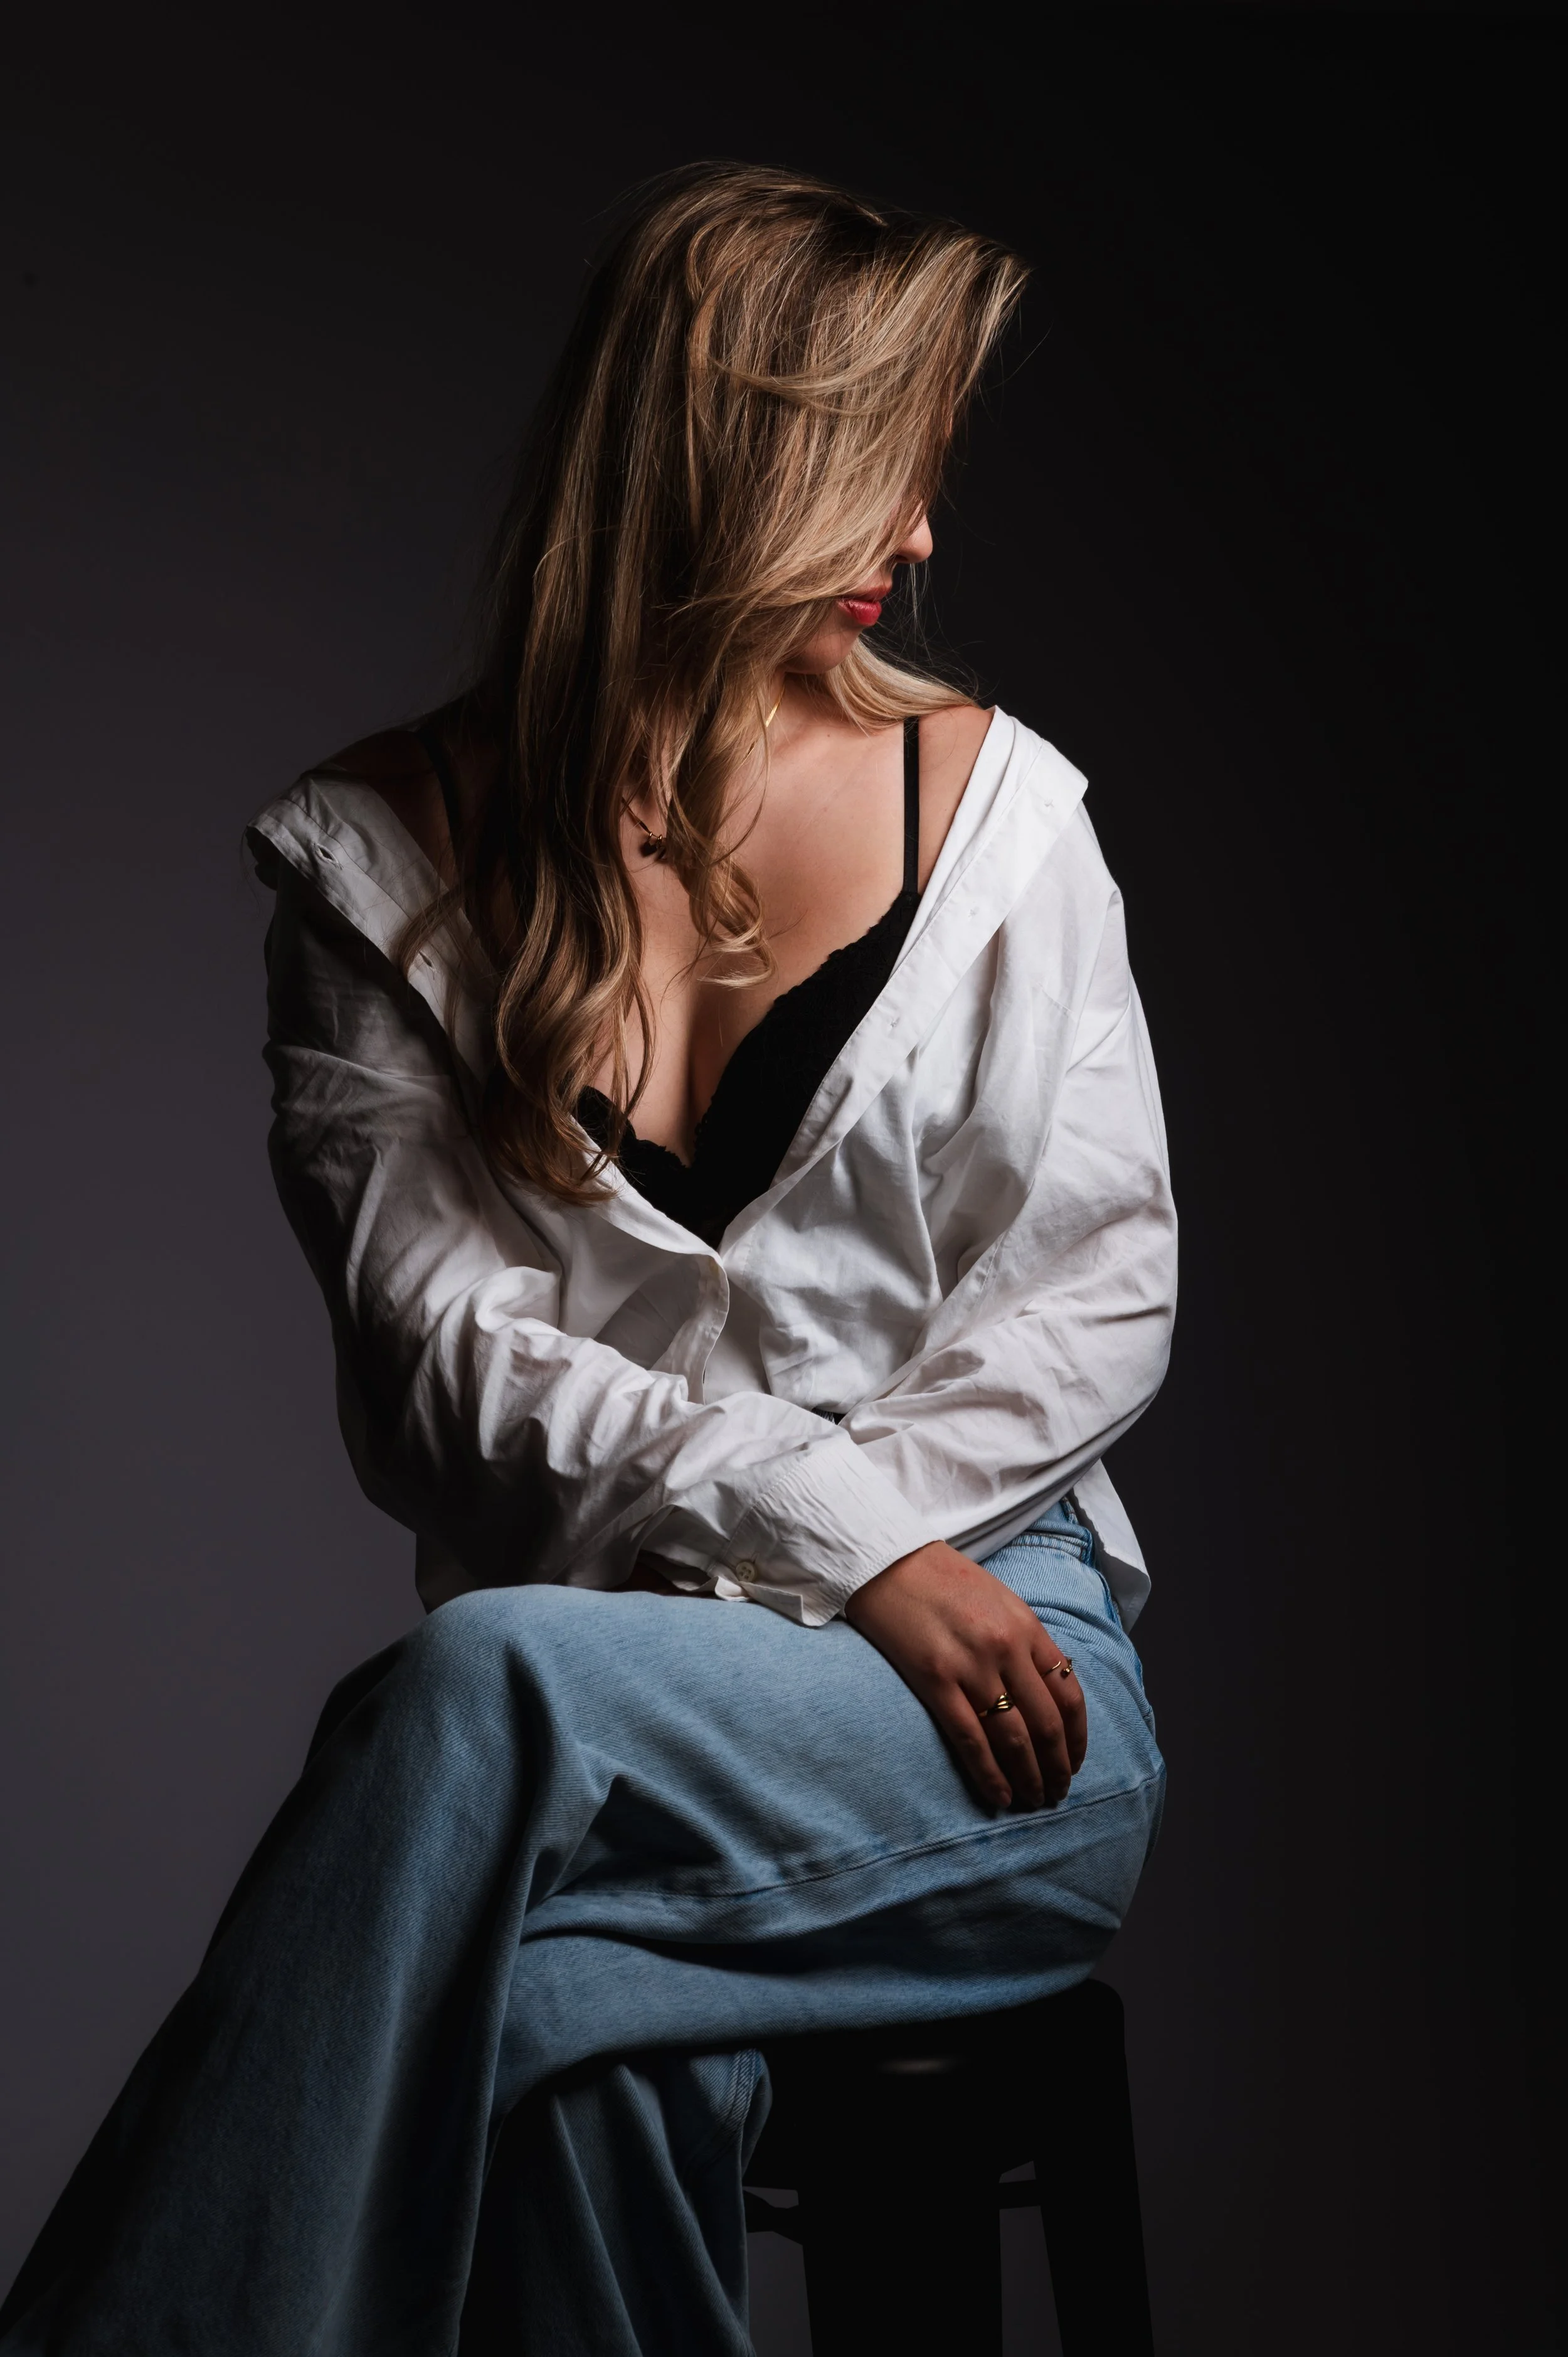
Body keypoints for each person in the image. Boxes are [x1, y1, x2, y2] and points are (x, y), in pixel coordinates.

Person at [0, 162, 1174, 2356]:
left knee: (479, 1678)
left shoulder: (1003, 818)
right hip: (611, 1769)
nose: (921, 538)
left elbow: (1098, 1291)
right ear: (740, 466)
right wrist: (834, 1535)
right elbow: (443, 1366)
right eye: (880, 474)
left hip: (1000, 1702)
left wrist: (894, 1566)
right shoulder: (376, 867)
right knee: (563, 2046)